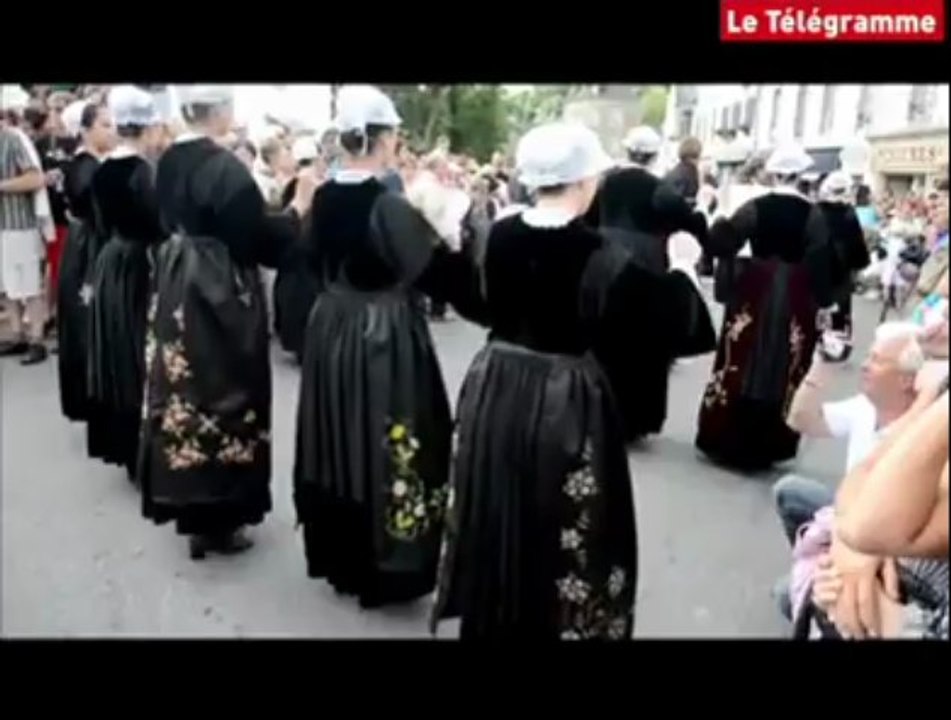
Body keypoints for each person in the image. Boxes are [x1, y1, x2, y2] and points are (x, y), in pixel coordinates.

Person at [432, 122, 711, 640]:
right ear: (583, 183)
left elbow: (475, 300)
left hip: (494, 384)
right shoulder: (600, 255)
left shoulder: (501, 234)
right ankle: (556, 624)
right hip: (566, 398)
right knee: (569, 515)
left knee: (498, 499)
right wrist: (683, 270)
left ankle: (496, 616)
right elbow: (668, 324)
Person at [293, 85, 484, 609]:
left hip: (332, 324)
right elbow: (440, 278)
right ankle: (387, 564)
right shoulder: (389, 205)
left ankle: (341, 555)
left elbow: (306, 258)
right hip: (383, 334)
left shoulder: (326, 195)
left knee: (339, 436)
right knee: (394, 436)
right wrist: (449, 238)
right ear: (381, 139)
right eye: (395, 133)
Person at [139, 85, 311, 560]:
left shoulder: (168, 161)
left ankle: (191, 508)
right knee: (229, 388)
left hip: (179, 285)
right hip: (218, 289)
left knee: (184, 389)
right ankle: (221, 515)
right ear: (222, 112)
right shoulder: (226, 169)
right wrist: (296, 213)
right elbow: (255, 239)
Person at [695, 143, 844, 471]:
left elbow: (724, 241)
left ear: (774, 173)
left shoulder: (755, 206)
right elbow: (821, 262)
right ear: (801, 176)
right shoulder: (814, 214)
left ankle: (726, 437)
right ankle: (769, 442)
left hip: (755, 287)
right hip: (796, 292)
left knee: (741, 356)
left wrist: (718, 223)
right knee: (786, 362)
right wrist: (827, 304)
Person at [771, 322, 927, 619]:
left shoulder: (922, 430)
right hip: (846, 517)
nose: (865, 366)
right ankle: (816, 564)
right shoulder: (865, 407)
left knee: (787, 597)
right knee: (789, 491)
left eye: (877, 360)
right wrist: (822, 365)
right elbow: (801, 419)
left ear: (906, 380)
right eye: (868, 357)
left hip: (886, 542)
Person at [583, 124, 713, 441]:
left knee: (601, 332)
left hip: (602, 255)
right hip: (646, 259)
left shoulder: (605, 183)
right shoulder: (658, 187)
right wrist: (703, 227)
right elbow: (686, 218)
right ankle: (633, 416)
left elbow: (587, 217)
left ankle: (594, 405)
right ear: (654, 155)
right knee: (641, 339)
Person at [86, 86, 166, 481]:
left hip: (110, 262)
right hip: (139, 265)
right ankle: (145, 446)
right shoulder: (143, 173)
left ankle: (125, 443)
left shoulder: (103, 171)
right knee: (141, 351)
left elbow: (100, 224)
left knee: (117, 352)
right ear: (147, 128)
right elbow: (158, 226)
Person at [57, 100, 114, 432]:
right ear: (87, 129)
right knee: (86, 323)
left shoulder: (90, 166)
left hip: (87, 245)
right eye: (105, 125)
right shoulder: (86, 168)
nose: (112, 131)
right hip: (88, 250)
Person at [0, 85, 52, 366]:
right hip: (1, 227)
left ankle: (36, 338)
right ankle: (18, 334)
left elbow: (36, 178)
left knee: (29, 284)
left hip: (20, 223)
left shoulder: (14, 140)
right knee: (7, 285)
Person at [813, 171, 871, 360]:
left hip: (819, 267)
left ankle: (819, 342)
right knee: (841, 308)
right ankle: (837, 348)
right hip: (842, 269)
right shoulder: (848, 213)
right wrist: (860, 263)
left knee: (817, 305)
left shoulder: (814, 211)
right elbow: (857, 245)